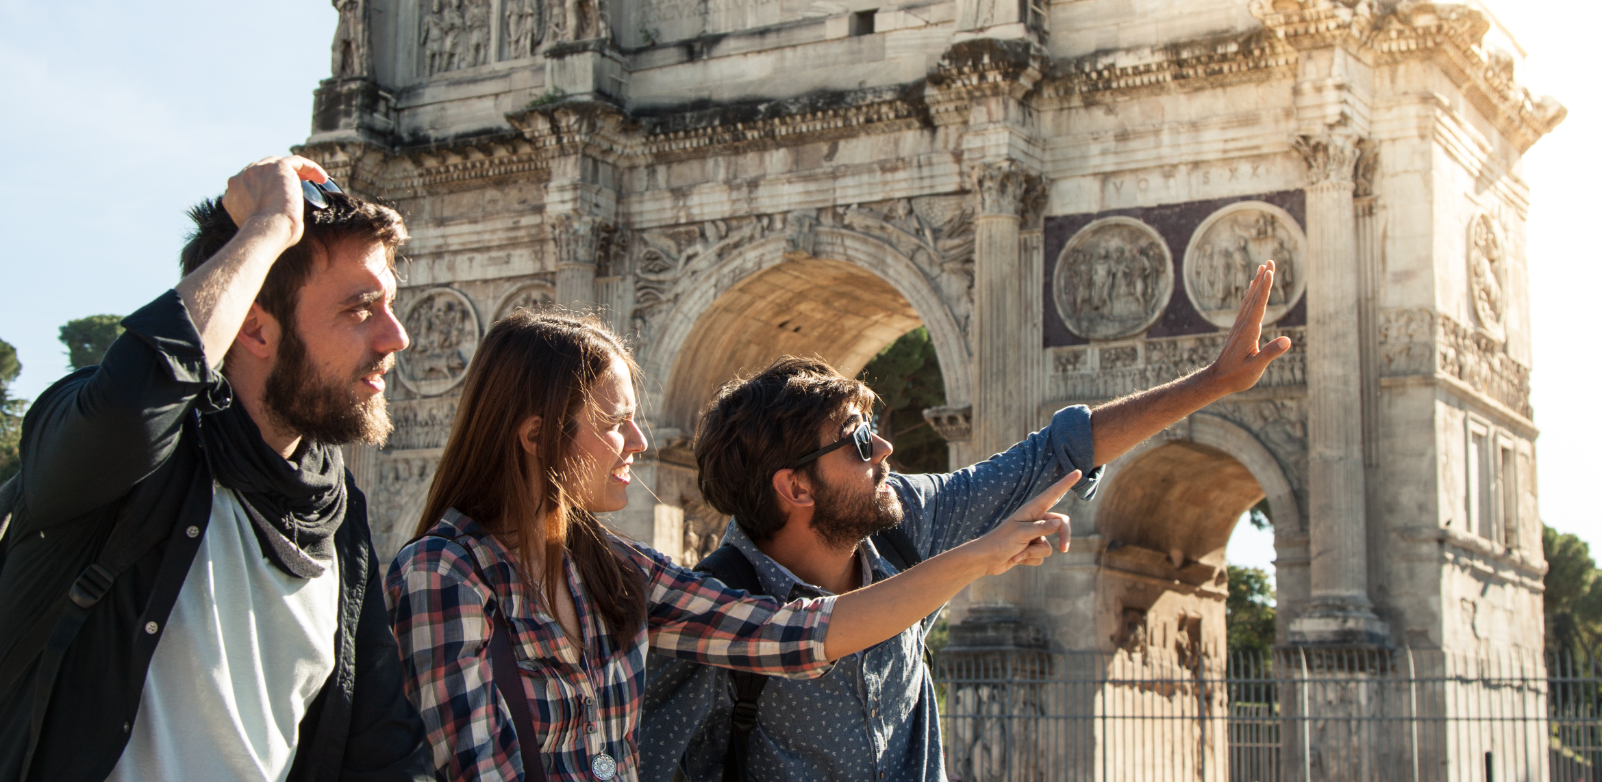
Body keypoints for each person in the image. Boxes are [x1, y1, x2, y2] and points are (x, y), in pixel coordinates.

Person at [639, 263, 1291, 782]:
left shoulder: (907, 522)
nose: (886, 450)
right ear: (794, 487)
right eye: (860, 441)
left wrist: (1212, 382)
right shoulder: (713, 619)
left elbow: (1059, 449)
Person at [385, 310, 1082, 782]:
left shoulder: (615, 568)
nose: (639, 442)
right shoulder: (440, 573)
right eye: (615, 423)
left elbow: (794, 635)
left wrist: (981, 556)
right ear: (535, 437)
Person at [0, 156, 434, 782]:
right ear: (254, 328)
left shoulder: (337, 515)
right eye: (360, 308)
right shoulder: (120, 464)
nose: (397, 337)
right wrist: (269, 226)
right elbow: (133, 406)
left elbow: (382, 750)